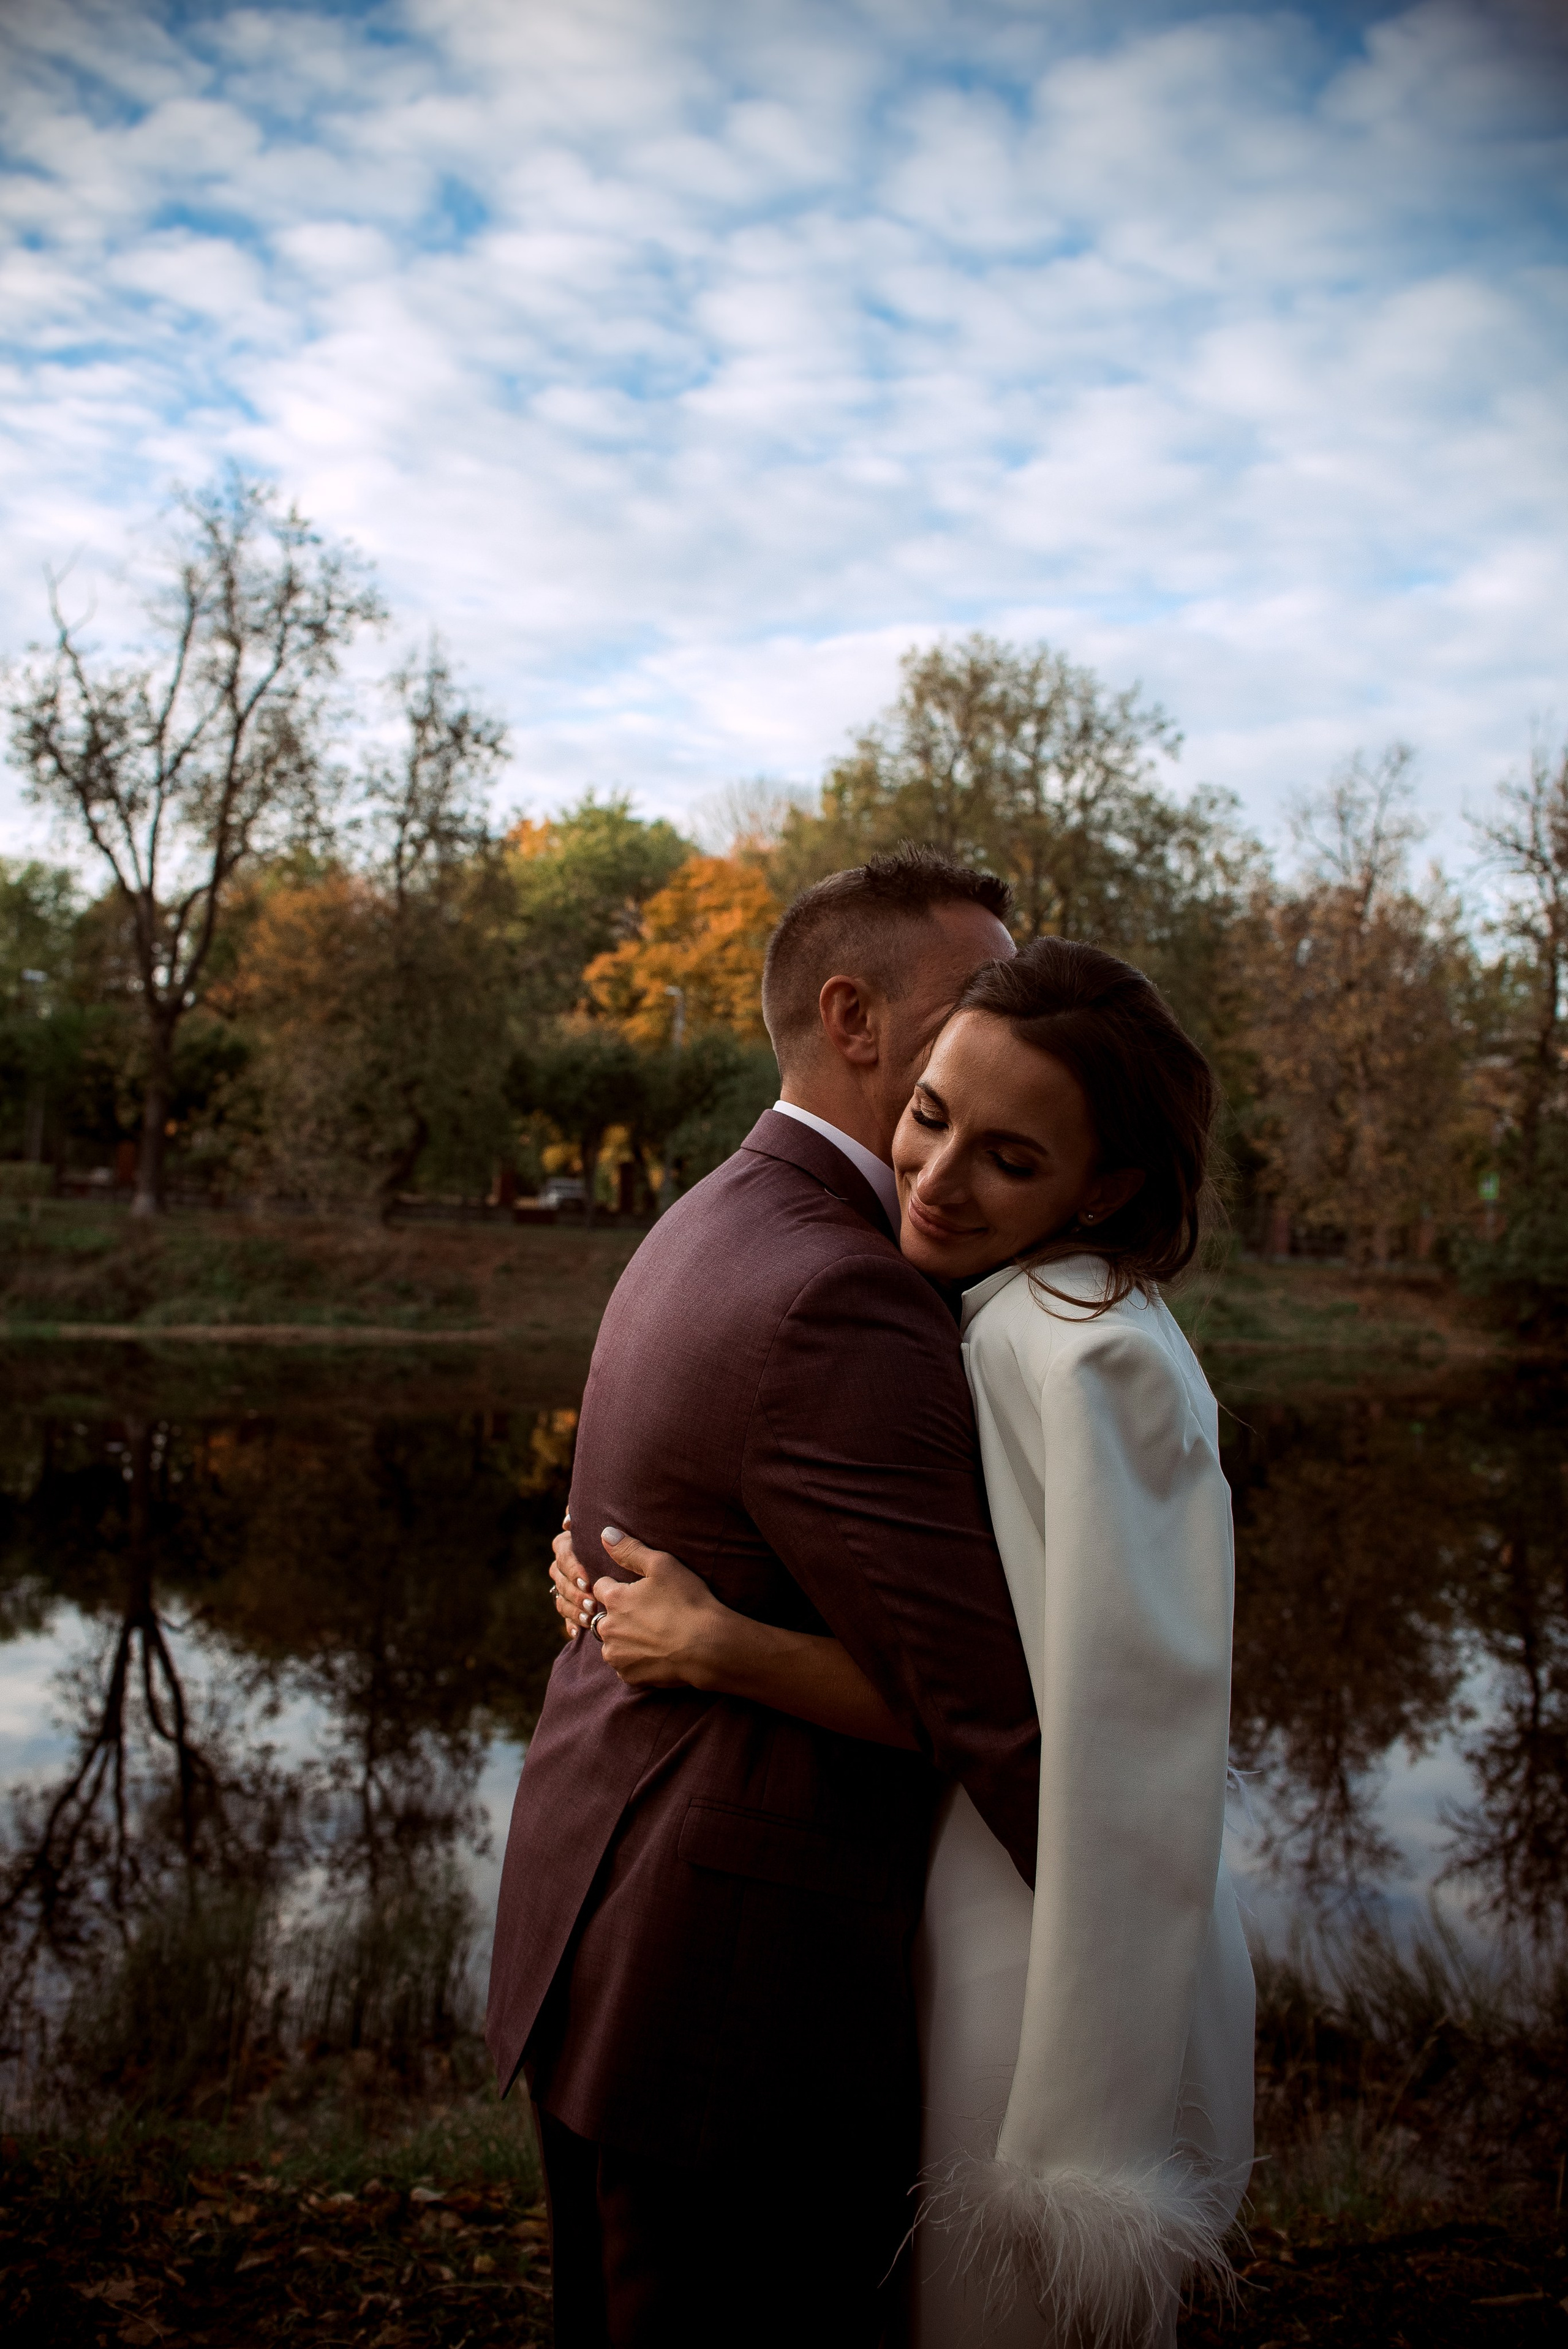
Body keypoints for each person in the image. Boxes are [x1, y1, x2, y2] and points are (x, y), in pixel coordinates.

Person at [554, 938, 1255, 2349]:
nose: (934, 1179)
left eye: (1007, 1159)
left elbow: (1078, 1736)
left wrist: (721, 1642)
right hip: (963, 1887)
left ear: (1102, 1187)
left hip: (1040, 1932)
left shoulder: (1082, 1350)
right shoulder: (995, 1309)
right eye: (929, 1117)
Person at [486, 847, 1046, 2349]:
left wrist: (702, 1632)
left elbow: (641, 1503)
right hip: (724, 2002)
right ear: (855, 1018)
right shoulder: (839, 1289)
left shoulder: (716, 1212)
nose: (1011, 1020)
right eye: (973, 994)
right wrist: (1132, 1901)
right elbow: (991, 1715)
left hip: (608, 1930)